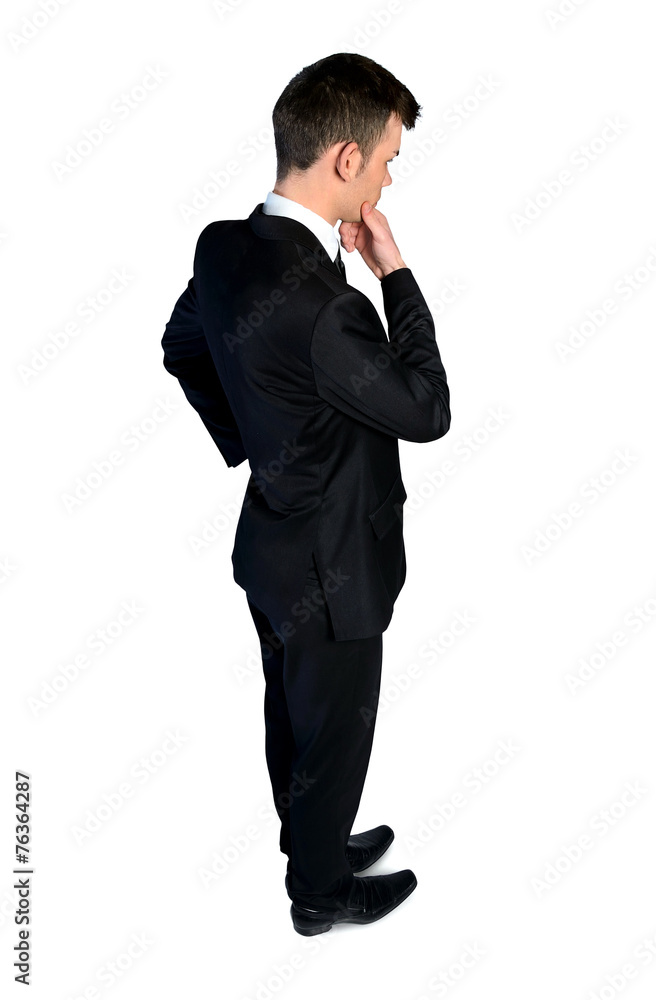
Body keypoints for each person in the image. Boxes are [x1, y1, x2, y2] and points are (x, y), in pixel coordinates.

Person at [161, 52, 451, 935]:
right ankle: (320, 893)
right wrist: (395, 273)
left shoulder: (222, 245)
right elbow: (427, 410)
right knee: (336, 731)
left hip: (270, 548)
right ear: (347, 159)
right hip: (335, 568)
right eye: (389, 159)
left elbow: (182, 344)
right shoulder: (330, 306)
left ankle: (310, 840)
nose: (390, 177)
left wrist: (255, 443)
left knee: (292, 711)